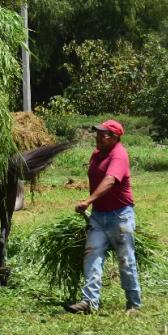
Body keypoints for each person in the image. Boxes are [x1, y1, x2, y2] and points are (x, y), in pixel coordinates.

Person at [67, 119, 141, 316]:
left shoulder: (119, 155)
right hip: (99, 216)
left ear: (114, 138)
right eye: (97, 134)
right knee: (91, 256)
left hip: (120, 216)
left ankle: (133, 304)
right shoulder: (97, 154)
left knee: (126, 260)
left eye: (102, 135)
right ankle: (90, 302)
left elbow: (109, 180)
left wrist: (88, 201)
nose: (98, 138)